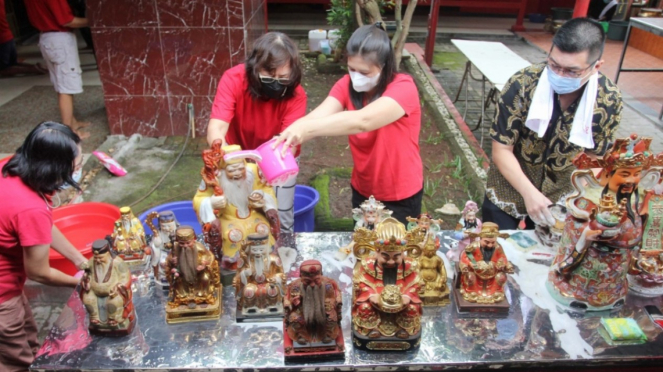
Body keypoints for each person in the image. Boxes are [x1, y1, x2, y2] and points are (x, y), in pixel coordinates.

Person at [274, 23, 423, 225]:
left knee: (393, 255)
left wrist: (306, 129)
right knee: (362, 250)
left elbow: (363, 121)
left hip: (400, 194)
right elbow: (319, 115)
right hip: (363, 189)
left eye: (364, 72)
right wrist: (289, 136)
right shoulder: (346, 84)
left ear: (385, 67)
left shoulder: (403, 87)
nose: (356, 77)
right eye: (351, 69)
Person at [483, 18, 622, 230]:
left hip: (563, 195)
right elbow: (501, 149)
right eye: (554, 65)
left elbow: (596, 158)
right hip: (509, 186)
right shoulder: (522, 84)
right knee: (494, 250)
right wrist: (530, 194)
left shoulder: (608, 100)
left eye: (572, 71)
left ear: (596, 67)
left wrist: (576, 197)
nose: (559, 75)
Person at [0, 121, 87, 371]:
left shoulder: (12, 166)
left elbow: (43, 223)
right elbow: (38, 272)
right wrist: (80, 283)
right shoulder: (29, 208)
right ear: (55, 167)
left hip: (11, 285)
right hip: (2, 292)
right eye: (77, 166)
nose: (79, 170)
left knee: (27, 334)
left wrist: (81, 261)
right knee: (13, 357)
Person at [207, 32, 306, 233]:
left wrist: (265, 168)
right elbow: (216, 128)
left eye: (283, 78)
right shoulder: (234, 79)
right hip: (235, 159)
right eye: (269, 76)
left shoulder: (296, 94)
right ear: (254, 68)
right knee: (234, 216)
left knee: (280, 217)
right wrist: (226, 156)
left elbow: (289, 142)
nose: (277, 82)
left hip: (278, 159)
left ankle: (282, 257)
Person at [193, 145, 280, 271]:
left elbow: (266, 188)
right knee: (232, 235)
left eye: (240, 169)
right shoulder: (213, 176)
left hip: (253, 214)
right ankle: (234, 263)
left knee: (262, 229)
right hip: (229, 218)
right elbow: (199, 198)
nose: (237, 173)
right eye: (232, 171)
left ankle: (264, 258)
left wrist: (263, 199)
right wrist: (211, 203)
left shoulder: (253, 171)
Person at [24, 0, 91, 139]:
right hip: (59, 39)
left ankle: (73, 122)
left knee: (61, 83)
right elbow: (67, 21)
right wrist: (94, 20)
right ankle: (68, 134)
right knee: (67, 87)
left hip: (46, 37)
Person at [284, 259, 342, 345]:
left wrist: (338, 299)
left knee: (331, 318)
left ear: (321, 275)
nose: (312, 285)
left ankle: (327, 334)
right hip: (301, 310)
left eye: (316, 281)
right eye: (307, 281)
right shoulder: (294, 285)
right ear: (301, 277)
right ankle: (301, 335)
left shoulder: (328, 283)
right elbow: (287, 296)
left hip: (324, 308)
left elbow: (337, 291)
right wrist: (290, 302)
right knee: (295, 319)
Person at [459, 222, 513, 304]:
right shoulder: (473, 246)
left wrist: (503, 264)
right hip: (476, 271)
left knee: (501, 277)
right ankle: (472, 292)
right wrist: (472, 263)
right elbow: (466, 255)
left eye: (493, 242)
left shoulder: (498, 247)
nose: (490, 245)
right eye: (487, 242)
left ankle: (495, 292)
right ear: (480, 238)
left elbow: (503, 257)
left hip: (493, 272)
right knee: (470, 277)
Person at [0, 0, 47, 77]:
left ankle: (35, 69)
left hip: (2, 40)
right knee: (13, 63)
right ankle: (37, 67)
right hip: (8, 37)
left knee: (4, 69)